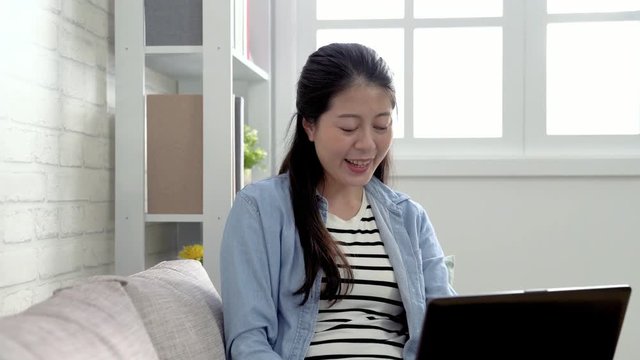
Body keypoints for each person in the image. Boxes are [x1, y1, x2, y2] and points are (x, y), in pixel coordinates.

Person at [220, 42, 455, 360]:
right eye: (348, 127)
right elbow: (248, 342)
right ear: (309, 125)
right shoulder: (259, 210)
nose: (367, 144)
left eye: (381, 126)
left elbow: (445, 332)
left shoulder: (410, 218)